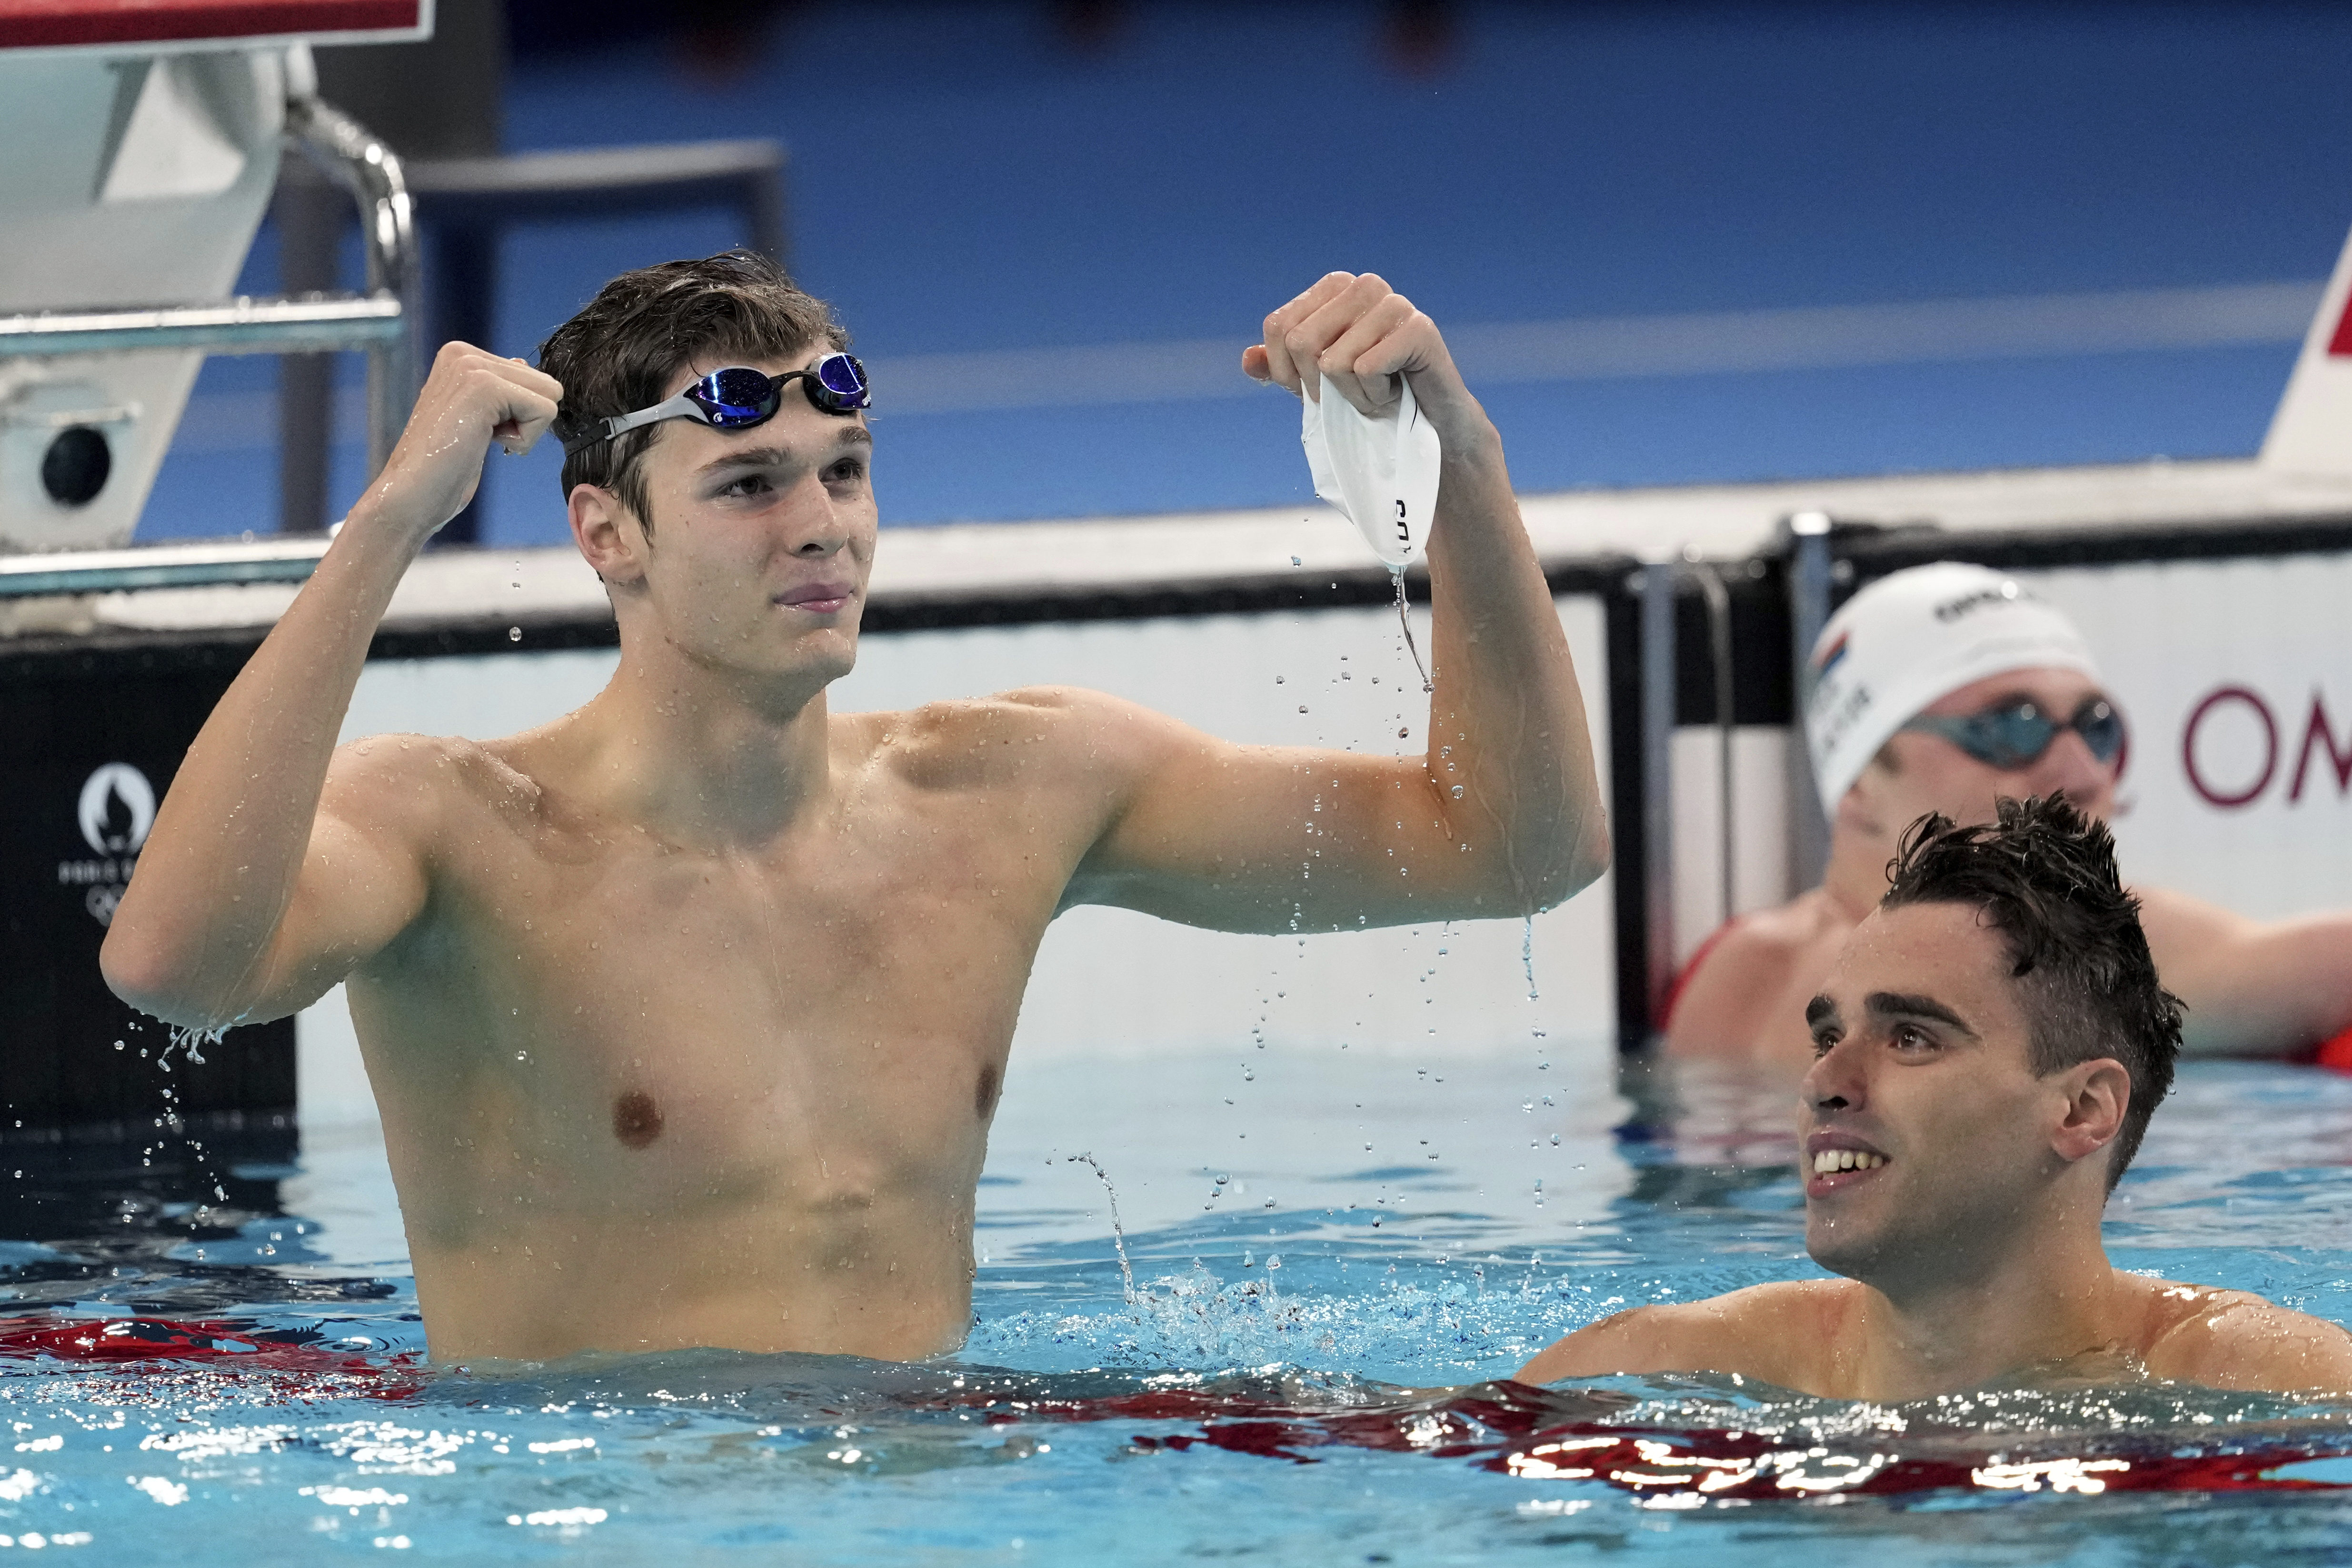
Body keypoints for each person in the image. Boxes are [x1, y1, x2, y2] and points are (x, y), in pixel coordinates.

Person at [99, 255, 1607, 1363]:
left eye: (844, 471)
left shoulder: (1011, 786)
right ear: (606, 536)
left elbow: (1514, 848)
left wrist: (1457, 459)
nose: (822, 523)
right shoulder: (456, 829)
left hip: (936, 1507)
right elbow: (172, 964)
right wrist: (384, 527)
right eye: (748, 484)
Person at [1522, 796, 2352, 1400]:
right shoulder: (1659, 1372)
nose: (1824, 1084)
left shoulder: (2269, 1392)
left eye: (1911, 1037)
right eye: (1827, 1037)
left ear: (2082, 1109)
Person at [1667, 561, 2352, 1066]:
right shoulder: (2037, 939)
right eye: (2012, 726)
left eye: (2097, 725)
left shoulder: (1734, 969)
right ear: (1859, 786)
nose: (2079, 770)